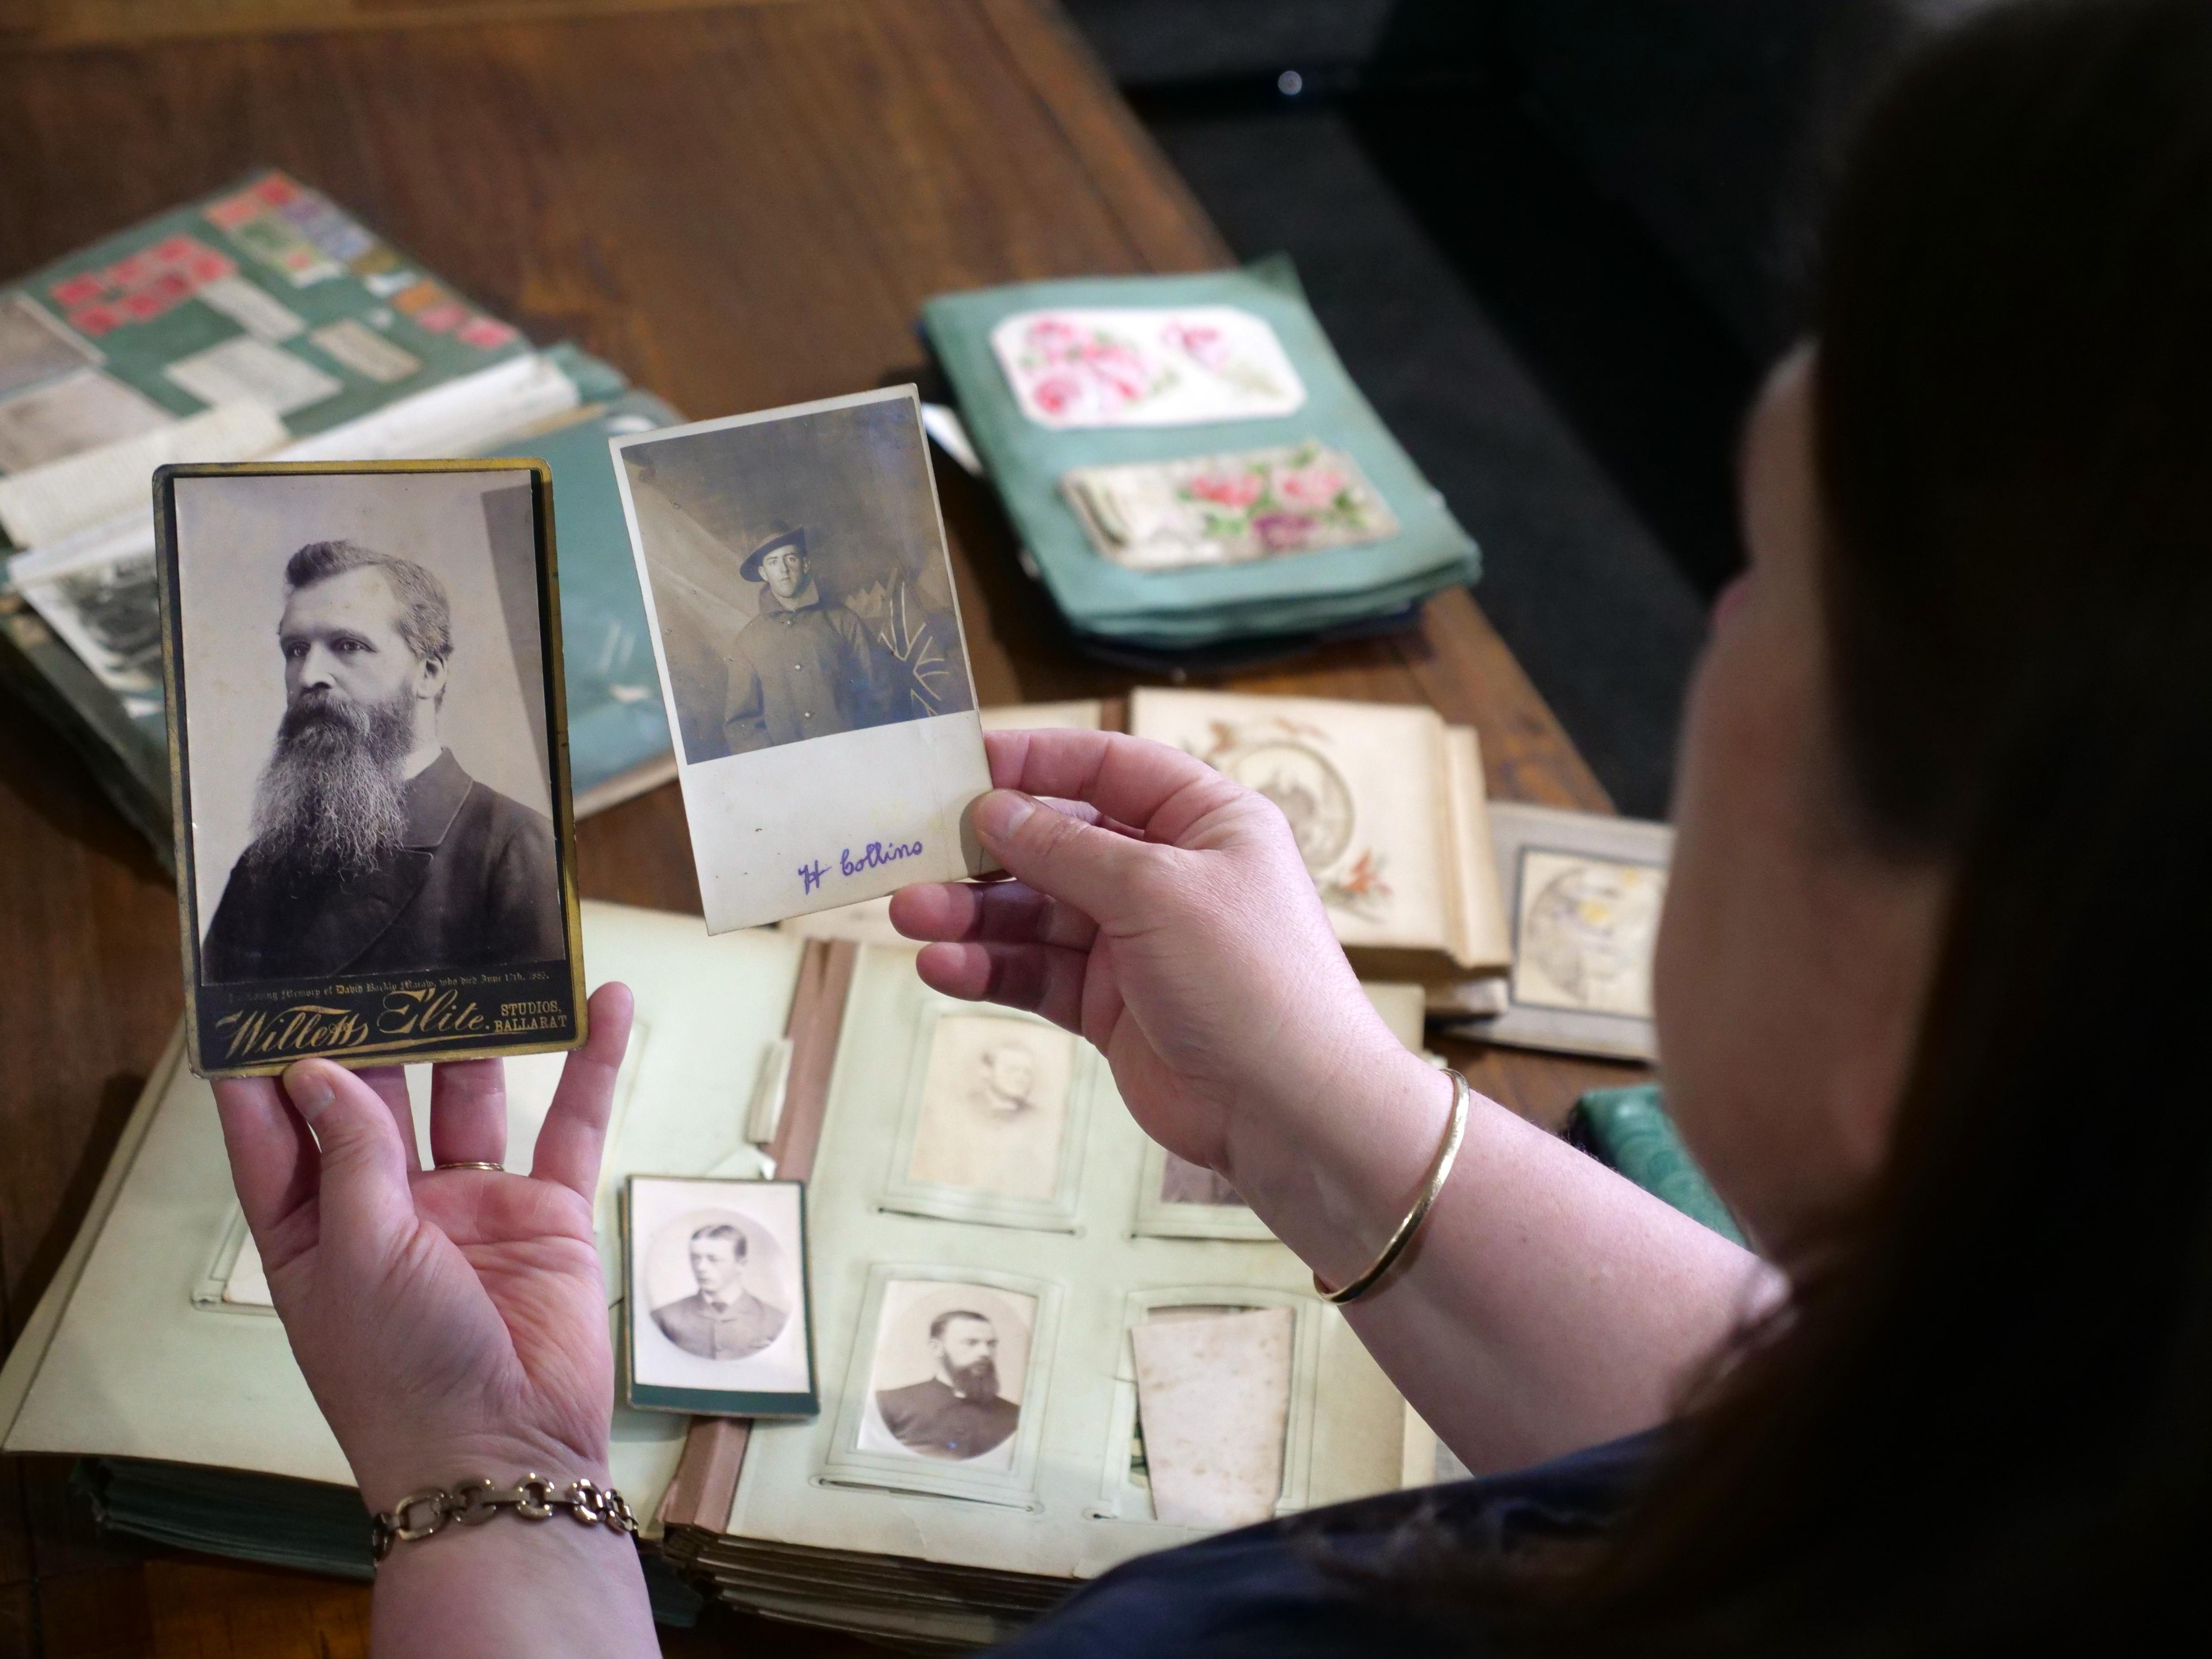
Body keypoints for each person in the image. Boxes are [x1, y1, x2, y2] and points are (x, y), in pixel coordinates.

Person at [207, 1, 2212, 1651]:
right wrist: (1324, 1100)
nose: (1715, 618)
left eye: (1773, 564)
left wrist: (490, 1488)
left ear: (2029, 910)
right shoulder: (2067, 1413)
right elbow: (1834, 1440)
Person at [202, 539, 563, 982]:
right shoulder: (260, 870)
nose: (310, 676)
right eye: (295, 650)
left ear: (428, 674)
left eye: (348, 645)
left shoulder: (513, 848)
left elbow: (534, 1041)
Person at [720, 525, 895, 753]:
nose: (783, 570)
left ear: (805, 564)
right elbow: (741, 725)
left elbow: (879, 693)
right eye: (773, 562)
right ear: (764, 574)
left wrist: (861, 749)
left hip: (851, 757)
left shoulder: (843, 621)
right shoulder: (748, 641)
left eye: (790, 559)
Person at [874, 1310, 1022, 1460]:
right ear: (936, 1348)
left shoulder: (1014, 1416)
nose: (985, 1353)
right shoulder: (889, 1403)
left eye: (991, 1345)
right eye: (971, 1343)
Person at [649, 1223, 787, 1361]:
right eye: (696, 1258)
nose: (701, 1268)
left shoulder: (776, 1321)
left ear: (741, 1264)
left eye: (713, 1259)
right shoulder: (664, 1318)